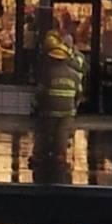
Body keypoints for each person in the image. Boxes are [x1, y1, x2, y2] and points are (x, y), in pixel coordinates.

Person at [32, 26, 83, 175]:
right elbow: (79, 93)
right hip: (68, 111)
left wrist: (35, 106)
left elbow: (40, 92)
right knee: (63, 133)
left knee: (44, 132)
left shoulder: (48, 73)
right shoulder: (74, 74)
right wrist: (74, 107)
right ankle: (60, 156)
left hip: (49, 110)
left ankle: (39, 156)